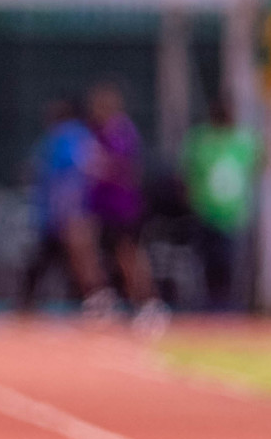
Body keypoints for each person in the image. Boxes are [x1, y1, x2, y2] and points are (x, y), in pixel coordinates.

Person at [86, 82, 166, 331]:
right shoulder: (100, 132)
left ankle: (149, 303)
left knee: (128, 257)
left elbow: (124, 167)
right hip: (103, 207)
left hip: (123, 207)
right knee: (106, 257)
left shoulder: (121, 132)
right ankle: (109, 300)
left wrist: (98, 165)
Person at [21, 96, 109, 312]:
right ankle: (96, 300)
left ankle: (99, 299)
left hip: (67, 213)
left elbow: (77, 172)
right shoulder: (77, 135)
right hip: (63, 212)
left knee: (81, 260)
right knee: (50, 260)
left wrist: (70, 209)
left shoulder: (67, 135)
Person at [181, 101, 261, 312]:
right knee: (208, 261)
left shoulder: (240, 141)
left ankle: (227, 304)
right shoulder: (201, 140)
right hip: (206, 211)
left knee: (229, 261)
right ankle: (210, 304)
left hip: (232, 213)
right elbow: (188, 173)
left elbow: (259, 162)